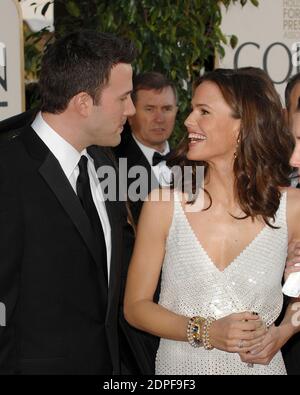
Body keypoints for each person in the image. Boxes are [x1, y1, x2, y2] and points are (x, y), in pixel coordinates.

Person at [124, 68, 300, 375]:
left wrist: (284, 331)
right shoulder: (164, 205)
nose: (189, 121)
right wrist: (205, 331)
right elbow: (136, 307)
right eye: (192, 109)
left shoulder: (291, 208)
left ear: (242, 127)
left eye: (203, 111)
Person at [0, 30, 139, 374]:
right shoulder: (7, 170)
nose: (132, 109)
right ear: (82, 103)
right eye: (123, 98)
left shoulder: (104, 164)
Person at [114, 72, 178, 224]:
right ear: (130, 114)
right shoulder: (112, 165)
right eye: (150, 109)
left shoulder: (192, 163)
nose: (159, 119)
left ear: (176, 111)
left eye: (167, 109)